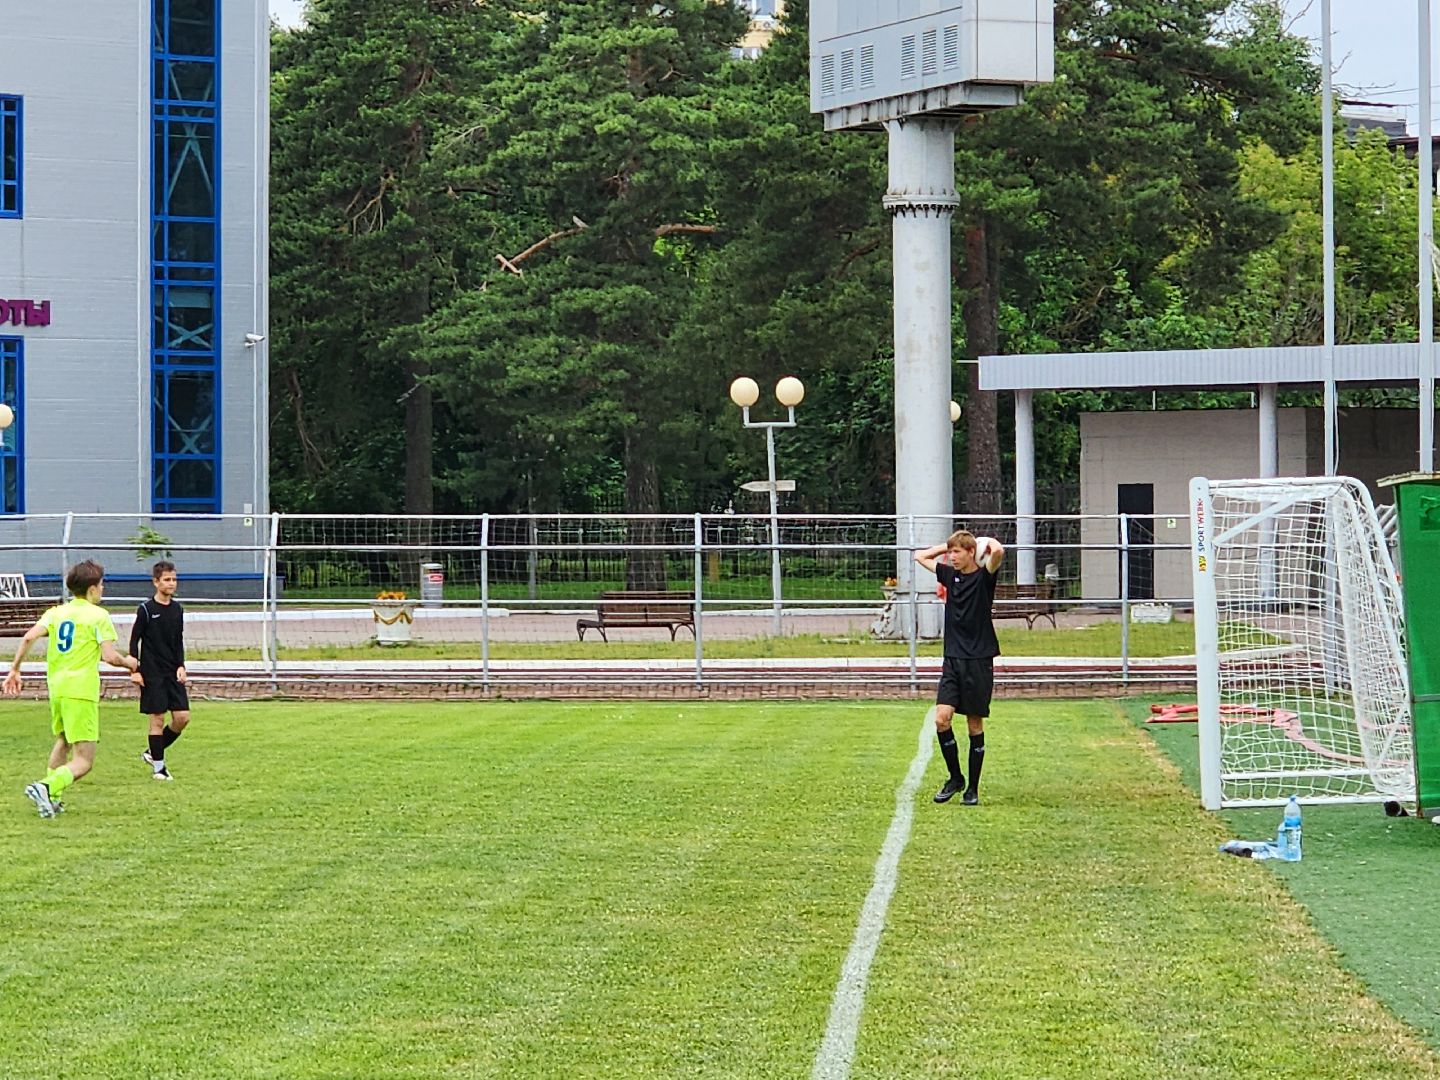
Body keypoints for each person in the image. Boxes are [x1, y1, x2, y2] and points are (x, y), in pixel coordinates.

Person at [3, 559, 140, 817]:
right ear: (91, 588)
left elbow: (29, 636)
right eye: (101, 585)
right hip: (81, 689)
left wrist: (15, 669)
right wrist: (129, 663)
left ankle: (52, 799)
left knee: (64, 740)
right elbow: (110, 657)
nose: (103, 590)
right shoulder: (99, 616)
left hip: (57, 687)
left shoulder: (56, 612)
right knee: (84, 760)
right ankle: (46, 786)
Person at [915, 530, 1005, 805]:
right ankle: (956, 778)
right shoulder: (949, 576)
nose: (951, 557)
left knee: (974, 724)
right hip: (952, 659)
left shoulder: (984, 577)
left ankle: (972, 789)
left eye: (957, 552)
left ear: (970, 554)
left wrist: (982, 543)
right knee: (942, 718)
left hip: (979, 659)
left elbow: (998, 551)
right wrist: (950, 543)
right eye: (950, 552)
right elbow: (920, 556)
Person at [129, 559, 189, 781]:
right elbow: (135, 640)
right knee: (156, 719)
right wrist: (134, 669)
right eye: (167, 580)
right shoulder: (145, 609)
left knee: (182, 717)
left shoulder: (177, 609)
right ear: (156, 582)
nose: (171, 584)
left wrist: (181, 665)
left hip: (172, 671)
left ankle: (151, 753)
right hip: (152, 673)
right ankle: (159, 769)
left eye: (174, 579)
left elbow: (177, 640)